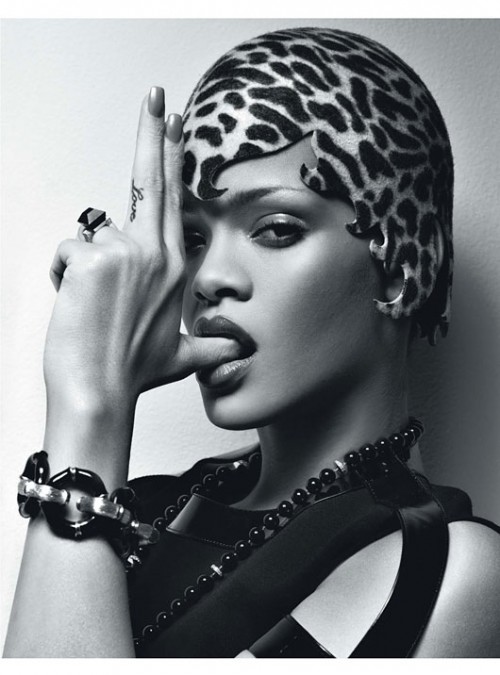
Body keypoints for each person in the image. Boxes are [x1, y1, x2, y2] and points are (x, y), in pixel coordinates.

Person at [4, 26, 500, 658]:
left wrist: (90, 410)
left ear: (402, 264)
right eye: (193, 238)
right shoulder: (142, 506)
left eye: (275, 228)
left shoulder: (441, 569)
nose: (207, 278)